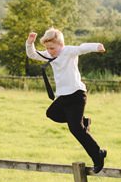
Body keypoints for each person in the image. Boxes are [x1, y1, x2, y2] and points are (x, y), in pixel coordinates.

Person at [29, 28, 109, 173]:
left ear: (61, 44)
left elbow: (82, 48)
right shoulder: (49, 55)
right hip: (63, 96)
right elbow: (33, 54)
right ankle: (83, 121)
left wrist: (97, 46)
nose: (50, 51)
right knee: (51, 113)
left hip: (77, 94)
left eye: (52, 48)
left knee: (75, 129)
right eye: (47, 48)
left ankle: (98, 155)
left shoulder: (68, 52)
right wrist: (30, 43)